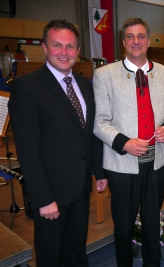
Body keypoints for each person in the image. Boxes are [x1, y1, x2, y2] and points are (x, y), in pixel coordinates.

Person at [8, 19, 107, 266]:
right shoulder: (27, 87)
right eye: (57, 45)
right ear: (44, 47)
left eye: (70, 47)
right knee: (51, 255)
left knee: (76, 250)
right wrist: (42, 198)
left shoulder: (85, 84)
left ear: (78, 49)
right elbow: (28, 150)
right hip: (51, 192)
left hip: (81, 187)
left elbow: (90, 133)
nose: (64, 53)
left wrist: (100, 171)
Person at [93, 17, 164, 267]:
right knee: (124, 223)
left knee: (152, 219)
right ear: (123, 41)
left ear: (149, 41)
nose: (136, 41)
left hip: (156, 160)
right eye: (130, 36)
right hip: (122, 162)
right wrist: (124, 142)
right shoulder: (104, 75)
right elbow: (99, 122)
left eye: (141, 36)